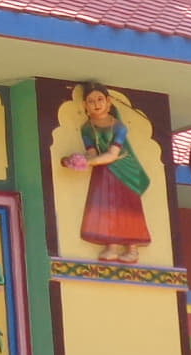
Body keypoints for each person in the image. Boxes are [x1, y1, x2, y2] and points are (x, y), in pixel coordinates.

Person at [60, 84, 152, 262]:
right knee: (106, 206)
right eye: (91, 101)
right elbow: (92, 152)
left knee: (127, 208)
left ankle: (132, 248)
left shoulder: (119, 127)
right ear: (85, 106)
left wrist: (87, 162)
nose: (96, 104)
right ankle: (111, 245)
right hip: (104, 171)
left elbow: (112, 154)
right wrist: (76, 160)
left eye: (100, 99)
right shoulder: (87, 128)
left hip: (124, 170)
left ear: (109, 102)